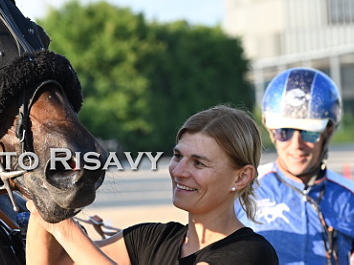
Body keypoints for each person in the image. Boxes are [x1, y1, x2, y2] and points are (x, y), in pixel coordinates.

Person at [26, 105, 279, 264]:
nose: (178, 172)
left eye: (198, 163)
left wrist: (64, 228)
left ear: (241, 177)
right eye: (178, 156)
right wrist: (46, 196)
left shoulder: (251, 253)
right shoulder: (150, 239)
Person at [235, 67, 354, 265]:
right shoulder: (243, 190)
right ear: (272, 132)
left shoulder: (352, 198)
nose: (296, 145)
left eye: (309, 133)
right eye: (285, 132)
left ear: (327, 132)